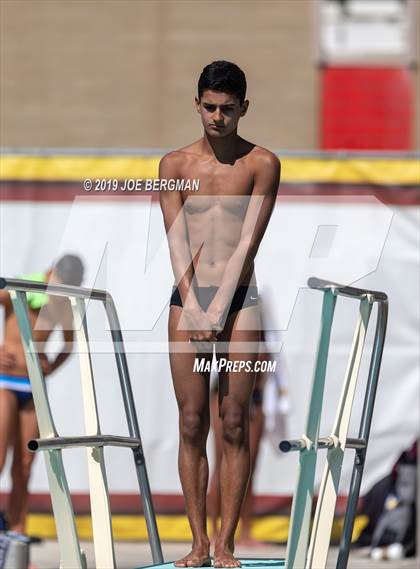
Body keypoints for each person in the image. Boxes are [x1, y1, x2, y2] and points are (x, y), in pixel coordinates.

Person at [159, 60, 280, 567]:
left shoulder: (262, 164)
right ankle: (198, 543)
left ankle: (226, 543)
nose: (217, 118)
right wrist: (193, 304)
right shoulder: (174, 165)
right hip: (188, 298)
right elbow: (175, 241)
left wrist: (219, 307)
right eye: (209, 107)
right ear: (197, 104)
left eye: (227, 109)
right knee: (191, 421)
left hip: (239, 300)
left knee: (233, 421)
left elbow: (248, 245)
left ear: (243, 109)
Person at [0, 254, 84, 534]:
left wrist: (51, 366)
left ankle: (16, 536)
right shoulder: (19, 289)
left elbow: (69, 346)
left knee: (24, 465)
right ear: (50, 273)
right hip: (5, 382)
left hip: (33, 387)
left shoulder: (63, 306)